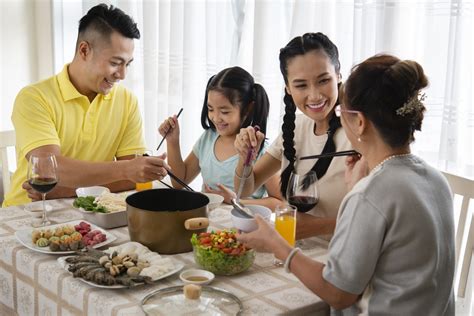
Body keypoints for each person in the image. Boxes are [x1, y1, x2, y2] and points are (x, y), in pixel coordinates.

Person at [237, 54, 455, 314]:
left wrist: (277, 245)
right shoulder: (435, 180)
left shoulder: (370, 194)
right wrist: (356, 190)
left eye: (342, 112)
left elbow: (338, 293)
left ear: (359, 122)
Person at [3, 4, 168, 207]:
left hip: (90, 211)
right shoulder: (34, 98)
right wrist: (125, 169)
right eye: (116, 62)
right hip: (30, 212)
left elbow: (134, 178)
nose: (123, 74)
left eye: (128, 64)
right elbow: (48, 169)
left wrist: (68, 190)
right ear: (84, 50)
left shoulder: (126, 101)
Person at [234, 33, 352, 238]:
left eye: (323, 80)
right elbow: (245, 189)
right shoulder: (295, 128)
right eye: (301, 85)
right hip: (292, 250)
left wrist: (318, 226)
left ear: (339, 75)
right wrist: (245, 159)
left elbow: (378, 218)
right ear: (288, 88)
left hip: (341, 253)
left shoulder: (360, 134)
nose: (314, 95)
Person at [158, 66, 283, 210]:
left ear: (248, 109)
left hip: (242, 227)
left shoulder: (259, 150)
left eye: (224, 111)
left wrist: (234, 200)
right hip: (208, 223)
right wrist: (172, 141)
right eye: (211, 109)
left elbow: (278, 202)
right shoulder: (208, 138)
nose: (216, 118)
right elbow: (180, 181)